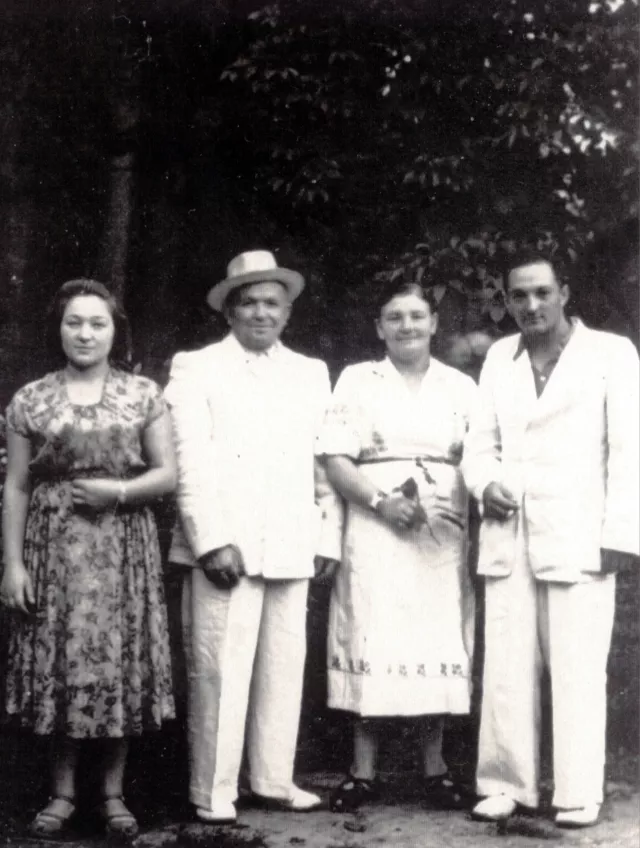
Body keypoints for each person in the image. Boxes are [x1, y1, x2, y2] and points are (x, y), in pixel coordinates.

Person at [462, 251, 639, 828]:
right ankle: (505, 784)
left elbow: (629, 451)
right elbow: (479, 444)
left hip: (580, 533)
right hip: (508, 532)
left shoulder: (611, 353)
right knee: (507, 668)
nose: (531, 306)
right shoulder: (498, 357)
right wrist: (485, 483)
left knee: (578, 666)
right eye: (519, 296)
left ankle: (577, 791)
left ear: (564, 291)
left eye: (542, 292)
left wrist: (622, 532)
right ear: (507, 300)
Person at [165, 250, 341, 824]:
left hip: (291, 542)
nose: (261, 313)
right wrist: (210, 539)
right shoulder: (197, 367)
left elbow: (323, 465)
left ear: (288, 312)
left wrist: (326, 537)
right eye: (249, 302)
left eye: (273, 303)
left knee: (284, 668)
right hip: (225, 547)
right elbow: (189, 462)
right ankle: (211, 792)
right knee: (217, 668)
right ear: (229, 311)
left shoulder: (311, 372)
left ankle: (271, 779)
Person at [0, 279, 177, 838]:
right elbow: (16, 487)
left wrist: (116, 493)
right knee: (62, 667)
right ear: (59, 328)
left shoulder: (143, 394)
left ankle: (113, 793)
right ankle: (62, 794)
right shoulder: (32, 398)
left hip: (123, 547)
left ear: (113, 330)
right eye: (74, 322)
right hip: (53, 549)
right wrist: (12, 563)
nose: (85, 333)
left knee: (115, 664)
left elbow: (168, 473)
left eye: (97, 323)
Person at [317, 280, 477, 812]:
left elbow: (482, 456)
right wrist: (383, 501)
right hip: (376, 523)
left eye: (416, 316)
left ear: (434, 323)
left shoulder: (461, 386)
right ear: (378, 327)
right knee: (372, 634)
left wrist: (460, 502)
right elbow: (336, 457)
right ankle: (362, 773)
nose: (406, 326)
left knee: (435, 639)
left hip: (441, 532)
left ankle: (436, 771)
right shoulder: (357, 381)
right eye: (394, 317)